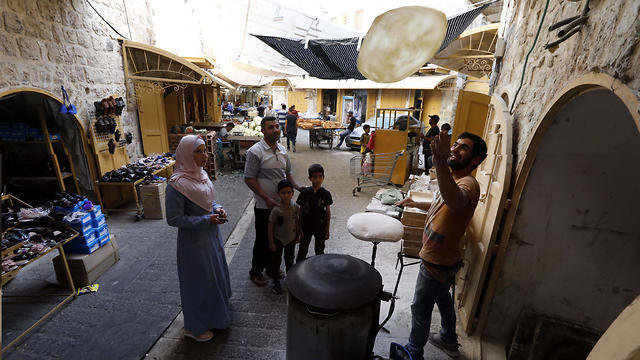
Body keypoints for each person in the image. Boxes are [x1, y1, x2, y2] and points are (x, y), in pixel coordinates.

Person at [396, 131, 487, 359]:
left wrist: (438, 160)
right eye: (455, 144)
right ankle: (448, 338)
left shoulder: (469, 184)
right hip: (446, 259)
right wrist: (416, 202)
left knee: (420, 309)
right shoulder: (453, 180)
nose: (455, 149)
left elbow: (455, 202)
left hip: (437, 261)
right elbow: (443, 205)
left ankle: (413, 353)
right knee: (442, 296)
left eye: (463, 147)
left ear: (475, 159)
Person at [165, 135, 231, 342]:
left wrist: (218, 209)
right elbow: (174, 219)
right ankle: (195, 327)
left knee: (214, 276)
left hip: (211, 237)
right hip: (194, 243)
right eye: (200, 151)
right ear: (186, 154)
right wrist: (205, 220)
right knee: (198, 283)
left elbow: (207, 201)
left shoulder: (201, 175)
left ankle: (215, 317)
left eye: (205, 150)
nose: (206, 155)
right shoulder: (176, 185)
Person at [244, 116, 302, 287]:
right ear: (263, 131)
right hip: (264, 206)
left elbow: (288, 174)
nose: (275, 129)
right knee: (262, 239)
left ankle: (271, 268)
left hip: (282, 207)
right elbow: (249, 178)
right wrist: (267, 198)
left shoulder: (283, 150)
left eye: (277, 126)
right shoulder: (255, 152)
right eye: (271, 127)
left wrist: (298, 187)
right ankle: (256, 271)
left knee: (276, 240)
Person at [268, 179, 301, 294]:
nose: (286, 195)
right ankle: (275, 281)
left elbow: (297, 221)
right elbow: (270, 226)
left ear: (293, 193)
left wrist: (298, 235)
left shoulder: (295, 207)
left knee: (289, 259)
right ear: (279, 194)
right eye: (283, 192)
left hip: (291, 239)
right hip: (278, 239)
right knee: (276, 261)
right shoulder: (276, 209)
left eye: (288, 192)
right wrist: (271, 242)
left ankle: (290, 279)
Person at [296, 164, 332, 262]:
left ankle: (319, 270)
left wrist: (327, 228)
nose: (318, 179)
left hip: (320, 227)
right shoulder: (304, 193)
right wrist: (299, 228)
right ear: (309, 178)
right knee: (303, 250)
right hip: (306, 226)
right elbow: (300, 211)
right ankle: (297, 270)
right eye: (315, 177)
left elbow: (328, 212)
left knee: (319, 251)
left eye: (320, 176)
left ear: (323, 177)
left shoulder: (326, 194)